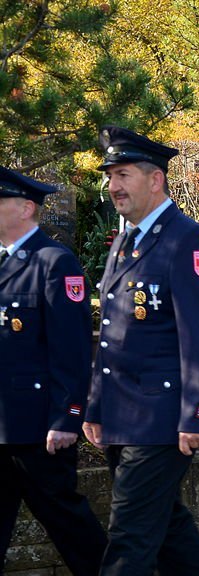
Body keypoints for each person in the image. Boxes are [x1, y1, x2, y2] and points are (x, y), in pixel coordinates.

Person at [83, 126, 199, 575]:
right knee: (169, 532)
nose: (113, 186)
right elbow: (112, 334)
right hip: (121, 413)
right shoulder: (126, 242)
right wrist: (94, 405)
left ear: (155, 180)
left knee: (129, 538)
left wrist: (198, 413)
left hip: (160, 417)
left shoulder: (186, 240)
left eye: (123, 174)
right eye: (110, 176)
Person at [0, 167, 107, 575]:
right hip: (3, 422)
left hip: (38, 430)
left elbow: (73, 350)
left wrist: (68, 416)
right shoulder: (4, 263)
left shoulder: (54, 262)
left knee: (69, 524)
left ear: (26, 208)